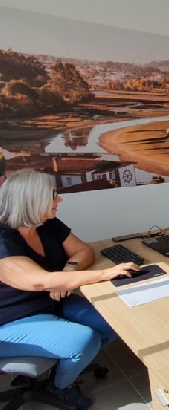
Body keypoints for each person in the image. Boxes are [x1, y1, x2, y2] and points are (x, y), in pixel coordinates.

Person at [0, 169, 141, 409]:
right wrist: (105, 273)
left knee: (112, 320)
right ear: (33, 199)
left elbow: (84, 251)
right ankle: (59, 387)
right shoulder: (4, 240)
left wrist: (68, 271)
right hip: (11, 321)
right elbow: (38, 281)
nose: (60, 200)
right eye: (54, 195)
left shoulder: (48, 225)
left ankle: (64, 364)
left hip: (50, 304)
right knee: (84, 340)